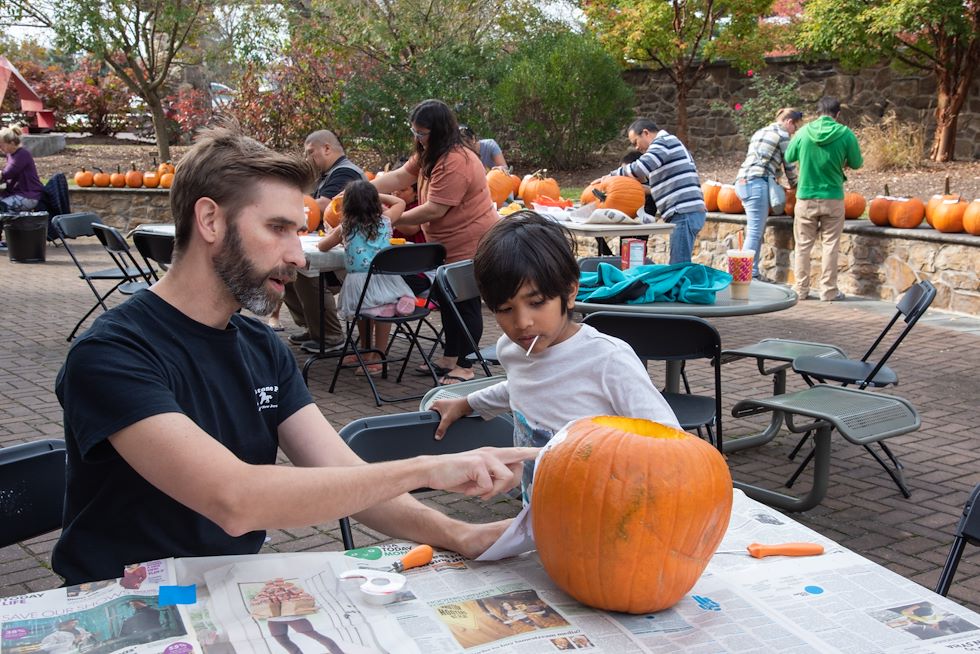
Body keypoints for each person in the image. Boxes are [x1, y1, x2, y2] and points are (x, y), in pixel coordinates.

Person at [51, 125, 537, 586]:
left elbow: (342, 475)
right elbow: (234, 499)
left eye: (297, 231)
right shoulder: (112, 354)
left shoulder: (261, 347)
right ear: (210, 220)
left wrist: (460, 534)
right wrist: (428, 468)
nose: (299, 257)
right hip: (123, 599)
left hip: (225, 593)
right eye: (278, 229)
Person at [430, 211, 679, 502]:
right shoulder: (511, 350)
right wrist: (467, 403)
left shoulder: (608, 359)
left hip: (603, 514)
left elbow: (668, 436)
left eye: (536, 303)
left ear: (569, 292)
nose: (522, 322)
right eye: (505, 309)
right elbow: (524, 386)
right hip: (537, 511)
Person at [371, 99, 499, 385]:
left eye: (422, 133)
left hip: (470, 242)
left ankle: (465, 366)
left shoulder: (456, 161)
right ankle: (448, 357)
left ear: (439, 131)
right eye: (415, 132)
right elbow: (402, 175)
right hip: (444, 245)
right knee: (446, 298)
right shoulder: (431, 153)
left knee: (465, 304)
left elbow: (434, 209)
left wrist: (390, 218)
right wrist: (365, 187)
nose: (417, 138)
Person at [317, 180, 417, 375]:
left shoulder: (346, 226)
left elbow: (322, 247)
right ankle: (373, 352)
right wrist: (374, 195)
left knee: (368, 312)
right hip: (387, 280)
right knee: (376, 311)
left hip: (359, 283)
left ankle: (374, 355)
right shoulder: (386, 220)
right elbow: (400, 203)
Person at [282, 130, 366, 354]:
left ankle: (330, 335)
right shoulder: (328, 174)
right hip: (333, 243)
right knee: (285, 271)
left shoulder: (345, 173)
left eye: (311, 153)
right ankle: (314, 327)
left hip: (352, 253)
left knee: (305, 270)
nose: (308, 158)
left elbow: (320, 207)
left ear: (327, 148)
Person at [785, 97, 863, 302]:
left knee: (802, 245)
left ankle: (801, 289)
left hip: (805, 197)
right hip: (833, 197)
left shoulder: (802, 133)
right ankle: (828, 291)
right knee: (830, 245)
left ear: (817, 113)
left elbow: (789, 156)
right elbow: (856, 163)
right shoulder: (845, 134)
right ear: (837, 114)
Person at [603, 118, 707, 264]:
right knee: (679, 264)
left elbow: (640, 168)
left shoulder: (663, 142)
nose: (636, 148)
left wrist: (611, 177)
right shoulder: (666, 144)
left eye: (635, 142)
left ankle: (684, 287)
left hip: (684, 212)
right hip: (684, 212)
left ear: (645, 133)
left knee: (678, 266)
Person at [734, 108, 803, 282]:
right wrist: (797, 187)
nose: (794, 131)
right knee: (755, 232)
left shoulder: (761, 131)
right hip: (756, 183)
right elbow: (789, 166)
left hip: (742, 182)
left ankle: (751, 273)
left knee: (754, 231)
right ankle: (745, 275)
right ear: (789, 122)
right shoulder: (782, 135)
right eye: (795, 127)